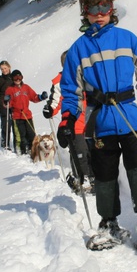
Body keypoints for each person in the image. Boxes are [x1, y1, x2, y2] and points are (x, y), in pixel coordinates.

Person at [59, 0, 137, 251]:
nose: (100, 14)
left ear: (111, 10)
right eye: (93, 9)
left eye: (105, 8)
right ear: (85, 14)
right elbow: (71, 91)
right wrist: (68, 121)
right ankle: (109, 223)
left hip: (129, 118)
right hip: (99, 122)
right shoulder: (78, 50)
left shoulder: (128, 39)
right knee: (104, 174)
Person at [43, 51, 94, 194]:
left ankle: (94, 176)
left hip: (91, 121)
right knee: (80, 151)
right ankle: (80, 178)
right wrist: (50, 110)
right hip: (75, 123)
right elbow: (56, 100)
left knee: (93, 151)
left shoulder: (86, 75)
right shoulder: (60, 81)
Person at [4, 70, 47, 155]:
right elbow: (7, 104)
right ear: (12, 79)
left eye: (19, 77)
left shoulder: (26, 87)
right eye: (15, 78)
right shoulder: (10, 89)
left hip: (27, 115)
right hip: (17, 116)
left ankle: (33, 150)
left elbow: (33, 97)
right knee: (21, 136)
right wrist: (6, 101)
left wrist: (41, 97)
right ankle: (21, 151)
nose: (17, 79)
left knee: (31, 134)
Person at [0, 60, 14, 149]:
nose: (4, 70)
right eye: (2, 69)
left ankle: (18, 145)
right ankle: (5, 144)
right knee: (6, 125)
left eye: (5, 68)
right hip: (3, 105)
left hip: (14, 104)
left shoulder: (14, 78)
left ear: (9, 67)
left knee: (16, 125)